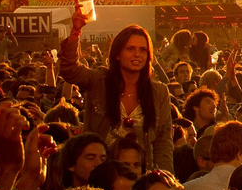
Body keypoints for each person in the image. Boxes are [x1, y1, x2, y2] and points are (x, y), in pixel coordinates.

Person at [60, 9, 174, 173]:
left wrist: (164, 177)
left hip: (141, 176)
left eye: (142, 50)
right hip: (100, 173)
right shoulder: (99, 81)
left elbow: (163, 141)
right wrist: (76, 31)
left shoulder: (159, 92)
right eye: (130, 49)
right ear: (118, 54)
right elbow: (70, 70)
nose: (137, 55)